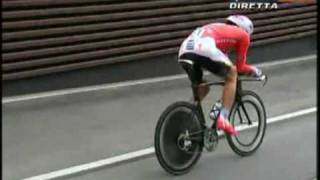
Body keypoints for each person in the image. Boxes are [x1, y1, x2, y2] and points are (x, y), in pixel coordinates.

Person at [178, 15, 262, 136]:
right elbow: (240, 67)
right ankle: (223, 117)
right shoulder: (243, 35)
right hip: (204, 48)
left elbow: (221, 61)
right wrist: (256, 71)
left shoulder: (219, 29)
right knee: (232, 74)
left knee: (203, 87)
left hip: (184, 51)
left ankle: (186, 116)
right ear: (245, 30)